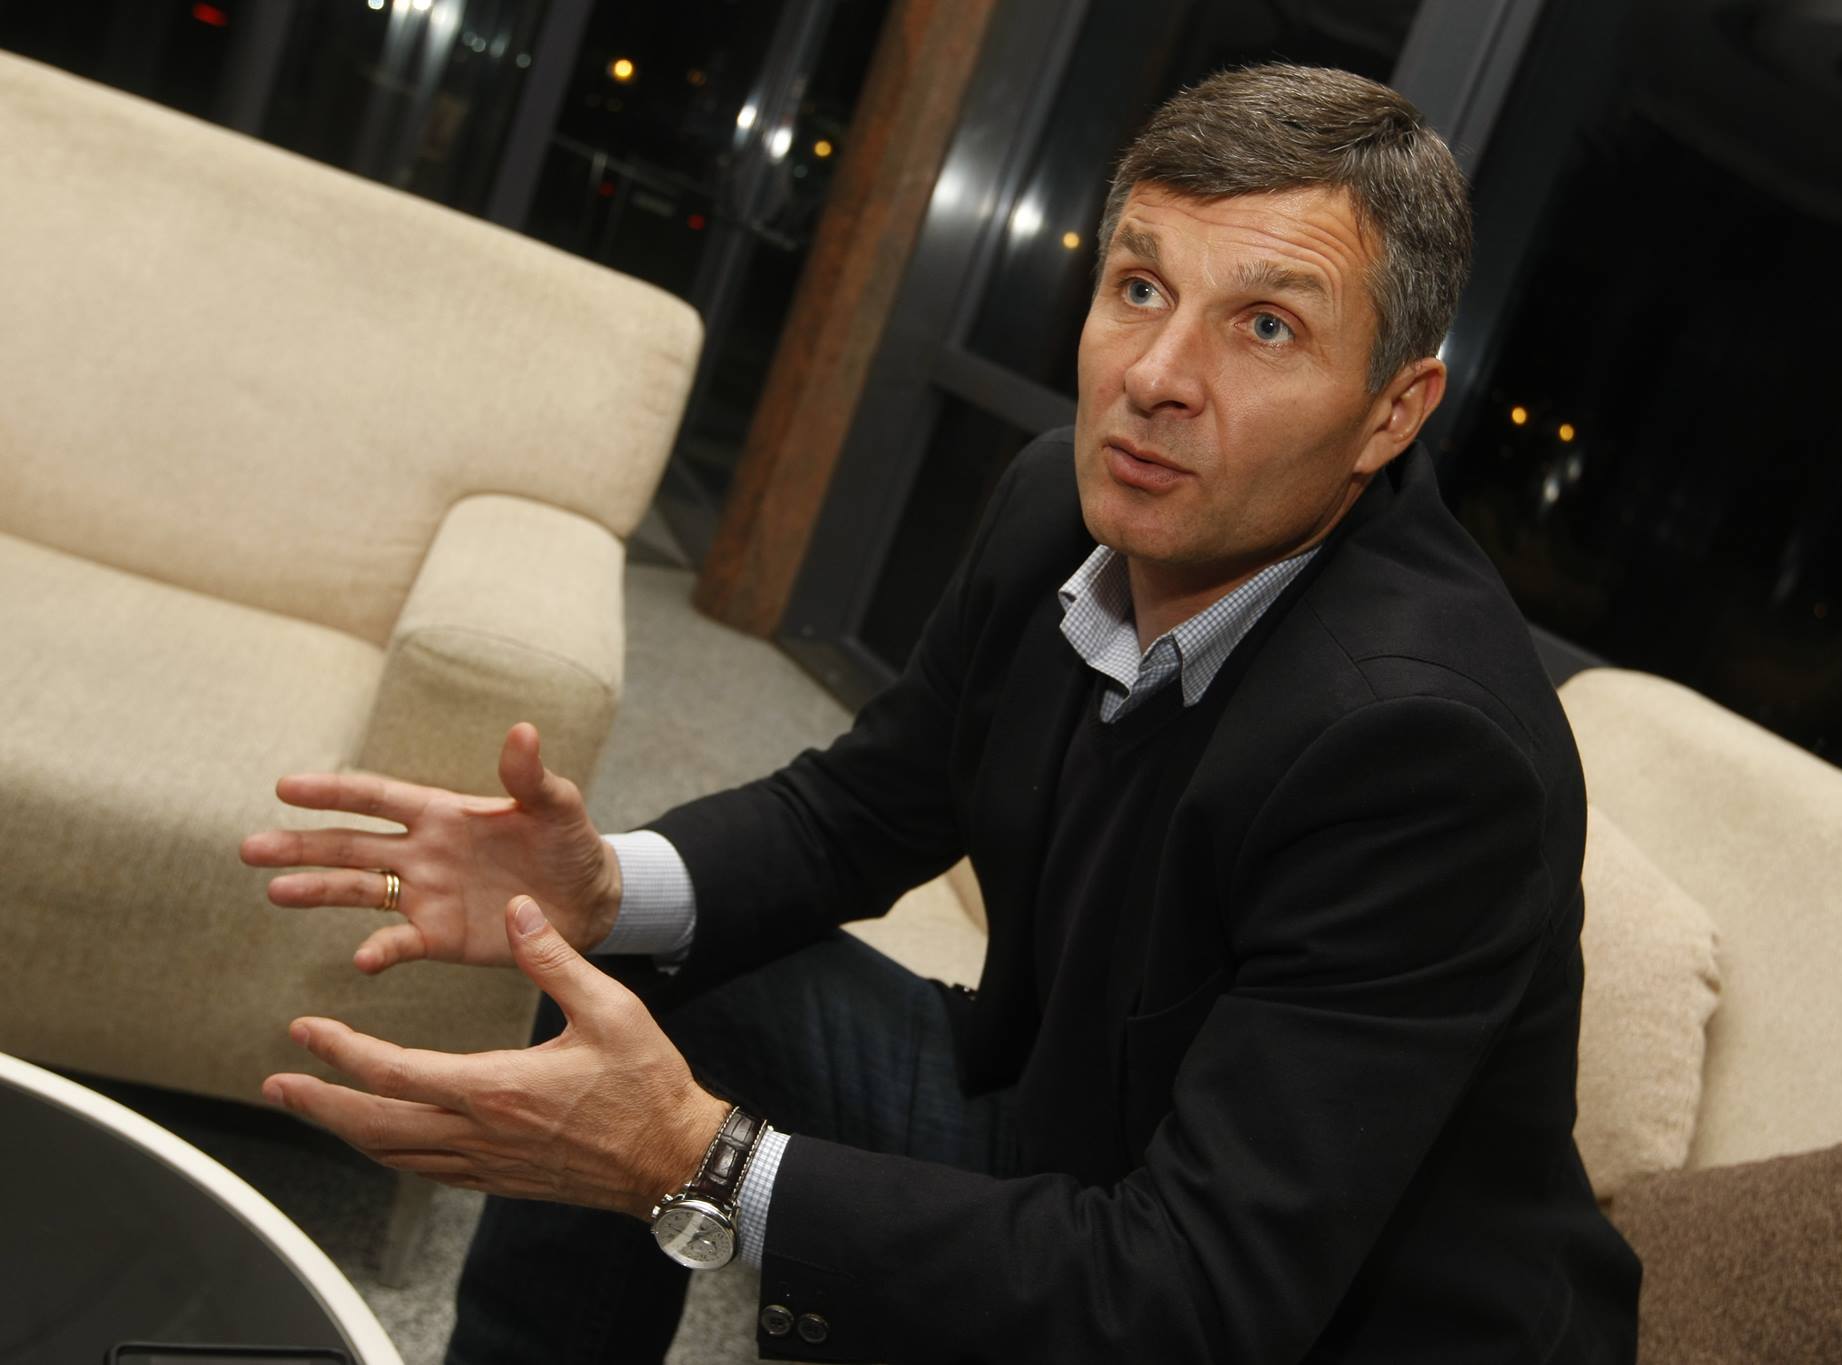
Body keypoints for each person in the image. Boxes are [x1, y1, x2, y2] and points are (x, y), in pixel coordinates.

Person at [242, 64, 1640, 1363]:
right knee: (652, 966)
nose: (1155, 377)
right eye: (1140, 287)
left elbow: (1203, 1291)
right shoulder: (1057, 505)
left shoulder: (1425, 749)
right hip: (1060, 1116)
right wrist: (603, 887)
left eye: (1265, 325)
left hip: (1300, 1318)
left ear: (1392, 413)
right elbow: (862, 807)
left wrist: (702, 1160)